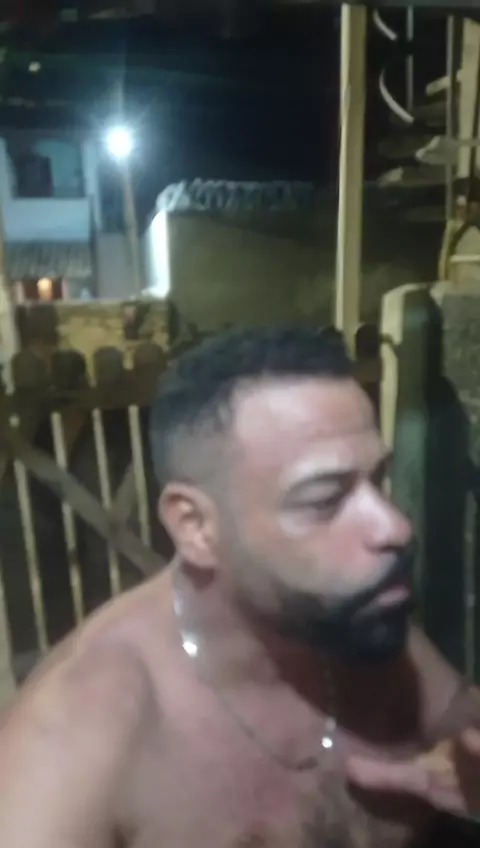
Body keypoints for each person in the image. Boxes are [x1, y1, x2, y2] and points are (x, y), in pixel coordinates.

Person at [1, 326, 480, 848]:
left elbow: (463, 724)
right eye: (324, 500)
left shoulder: (349, 617)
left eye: (378, 479)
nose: (394, 527)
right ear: (195, 527)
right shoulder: (70, 744)